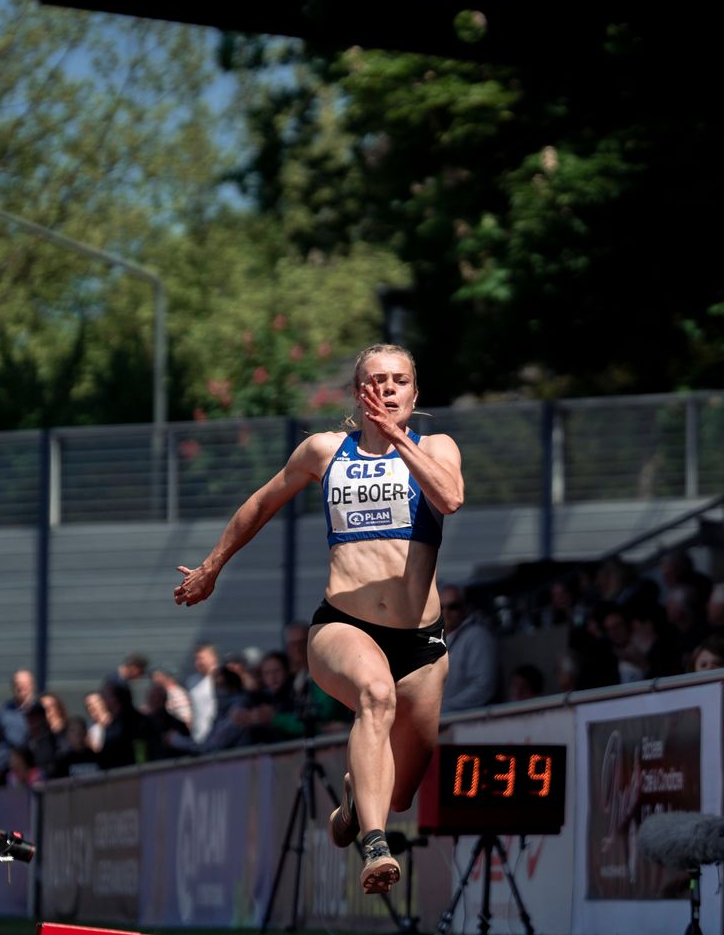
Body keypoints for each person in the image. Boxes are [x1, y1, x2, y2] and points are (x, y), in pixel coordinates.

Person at [175, 343, 464, 894]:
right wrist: (212, 567)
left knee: (400, 789)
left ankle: (359, 800)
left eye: (399, 380)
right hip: (344, 626)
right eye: (376, 380)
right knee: (375, 695)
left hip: (423, 644)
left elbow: (450, 498)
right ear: (359, 392)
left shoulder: (437, 447)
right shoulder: (325, 451)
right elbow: (261, 502)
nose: (388, 389)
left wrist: (399, 439)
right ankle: (376, 847)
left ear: (415, 392)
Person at [440, 584, 499, 711]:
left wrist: (444, 708)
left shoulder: (478, 636)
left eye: (453, 606)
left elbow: (484, 686)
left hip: (469, 723)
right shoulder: (437, 639)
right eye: (440, 607)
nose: (446, 612)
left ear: (465, 608)